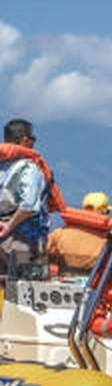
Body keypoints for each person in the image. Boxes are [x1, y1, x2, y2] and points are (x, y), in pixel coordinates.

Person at [0, 119, 50, 279]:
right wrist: (8, 227)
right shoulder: (29, 168)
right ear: (24, 140)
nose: (34, 142)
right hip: (21, 240)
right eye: (33, 138)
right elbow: (28, 206)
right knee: (25, 293)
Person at [47, 191, 112, 276]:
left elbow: (39, 252)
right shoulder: (109, 240)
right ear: (104, 212)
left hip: (62, 280)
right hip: (94, 284)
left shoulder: (59, 234)